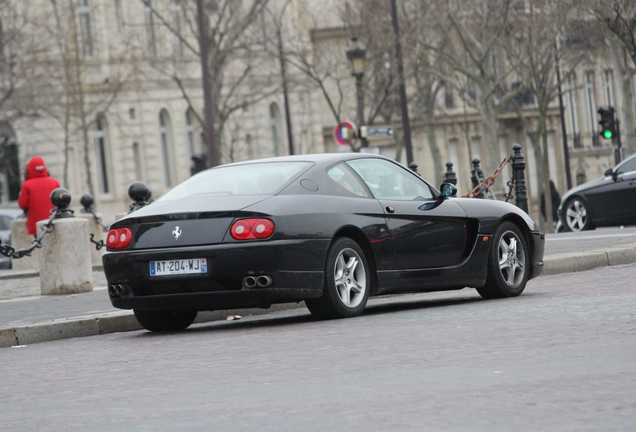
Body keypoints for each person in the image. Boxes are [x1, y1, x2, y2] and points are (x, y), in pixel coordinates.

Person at [17, 156, 60, 236]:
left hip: (37, 225)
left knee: (40, 247)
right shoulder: (55, 183)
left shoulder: (27, 185)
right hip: (54, 222)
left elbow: (22, 204)